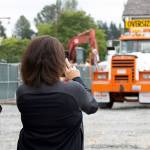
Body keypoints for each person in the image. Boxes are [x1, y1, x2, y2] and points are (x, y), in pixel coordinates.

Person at [16, 36, 98, 150]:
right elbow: (92, 106)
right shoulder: (73, 89)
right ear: (59, 61)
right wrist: (77, 78)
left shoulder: (22, 91)